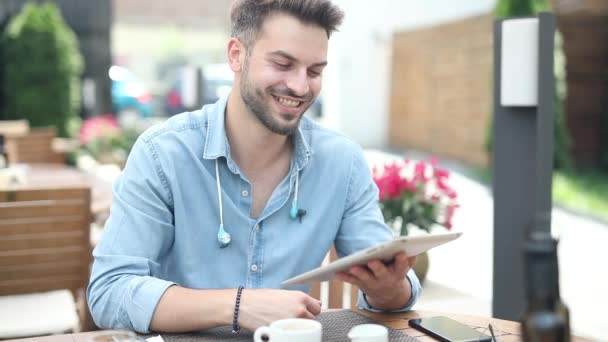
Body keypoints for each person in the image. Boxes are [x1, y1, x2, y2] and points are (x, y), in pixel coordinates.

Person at [87, 0, 421, 334]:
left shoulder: (342, 162)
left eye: (314, 71)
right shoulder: (162, 153)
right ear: (236, 55)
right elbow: (109, 292)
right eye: (282, 63)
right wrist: (238, 306)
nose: (301, 86)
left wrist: (389, 288)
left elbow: (392, 291)